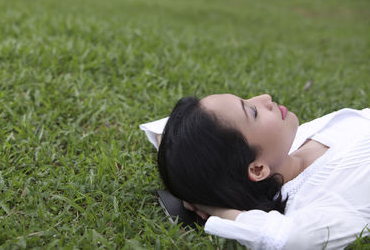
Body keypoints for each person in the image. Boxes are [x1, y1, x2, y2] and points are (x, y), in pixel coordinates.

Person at [140, 94, 370, 250]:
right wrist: (214, 208)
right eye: (252, 112)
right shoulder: (328, 196)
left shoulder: (283, 149)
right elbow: (286, 239)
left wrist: (192, 188)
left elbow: (169, 132)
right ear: (257, 169)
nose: (265, 99)